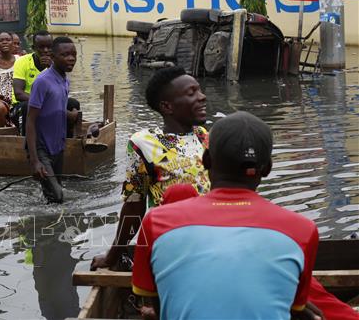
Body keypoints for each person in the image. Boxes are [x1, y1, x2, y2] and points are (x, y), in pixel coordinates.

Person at [132, 111, 319, 320]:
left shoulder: (156, 223)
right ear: (267, 169)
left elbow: (160, 305)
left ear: (206, 160)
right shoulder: (302, 230)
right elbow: (292, 306)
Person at [91, 66, 209, 270]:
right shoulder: (144, 144)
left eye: (199, 90)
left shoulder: (204, 136)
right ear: (167, 107)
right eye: (192, 93)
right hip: (172, 242)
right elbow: (134, 205)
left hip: (210, 240)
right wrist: (112, 257)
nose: (202, 97)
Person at [26, 36, 77, 204]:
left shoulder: (65, 81)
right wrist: (35, 161)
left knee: (54, 196)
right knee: (57, 196)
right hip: (42, 150)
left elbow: (56, 110)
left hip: (58, 147)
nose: (71, 58)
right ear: (53, 57)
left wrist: (75, 118)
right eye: (65, 55)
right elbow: (30, 120)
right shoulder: (42, 82)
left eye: (73, 54)